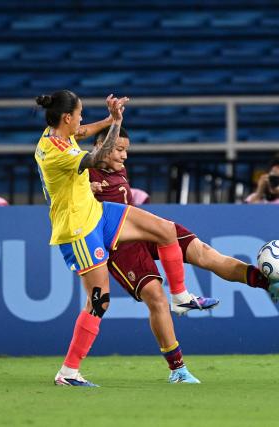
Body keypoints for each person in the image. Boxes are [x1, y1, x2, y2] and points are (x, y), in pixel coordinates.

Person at [89, 126, 279, 383]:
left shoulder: (116, 166)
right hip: (119, 244)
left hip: (144, 228)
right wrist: (85, 190)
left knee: (204, 253)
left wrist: (114, 120)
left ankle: (267, 282)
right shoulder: (83, 173)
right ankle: (177, 370)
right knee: (156, 297)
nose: (124, 156)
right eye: (119, 150)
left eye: (126, 150)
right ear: (100, 148)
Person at [33, 90, 220, 387]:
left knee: (165, 230)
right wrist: (116, 124)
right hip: (79, 229)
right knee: (99, 301)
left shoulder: (55, 134)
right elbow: (97, 156)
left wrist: (109, 118)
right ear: (66, 117)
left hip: (97, 212)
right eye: (79, 113)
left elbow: (82, 132)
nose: (82, 119)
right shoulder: (57, 153)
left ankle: (181, 296)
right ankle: (68, 372)